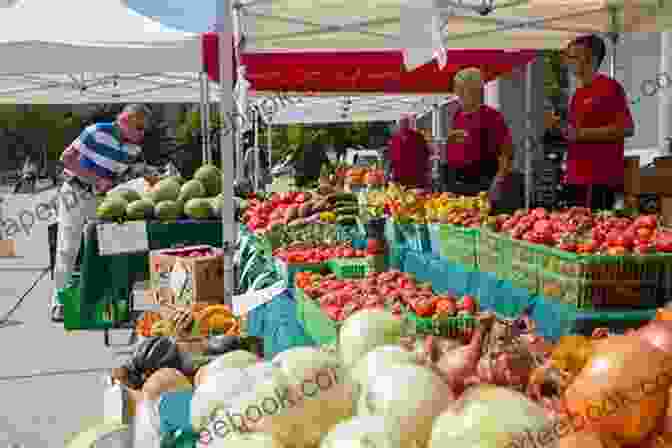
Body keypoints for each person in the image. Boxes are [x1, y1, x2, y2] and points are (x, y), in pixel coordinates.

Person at [50, 104, 154, 322]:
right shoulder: (95, 131)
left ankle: (101, 300)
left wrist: (149, 176)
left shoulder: (134, 149)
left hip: (102, 200)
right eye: (140, 127)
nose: (143, 134)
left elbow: (122, 176)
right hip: (75, 193)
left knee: (102, 248)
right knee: (68, 248)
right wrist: (95, 179)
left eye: (145, 129)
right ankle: (59, 303)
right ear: (125, 121)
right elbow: (66, 158)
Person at [562, 34, 634, 211]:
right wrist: (559, 128)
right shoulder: (578, 94)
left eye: (574, 56)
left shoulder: (609, 88)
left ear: (592, 58)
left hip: (598, 177)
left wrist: (582, 134)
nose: (568, 61)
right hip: (575, 176)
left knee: (591, 232)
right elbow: (574, 133)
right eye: (568, 56)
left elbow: (627, 128)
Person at [443, 67, 514, 196]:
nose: (457, 94)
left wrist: (498, 180)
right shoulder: (457, 115)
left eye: (462, 89)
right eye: (457, 89)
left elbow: (506, 152)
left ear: (476, 90)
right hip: (456, 181)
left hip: (482, 181)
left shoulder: (492, 116)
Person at [388, 115, 430, 188]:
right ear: (398, 125)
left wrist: (426, 171)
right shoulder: (394, 139)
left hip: (416, 177)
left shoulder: (418, 137)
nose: (404, 125)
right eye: (401, 123)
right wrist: (389, 173)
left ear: (409, 124)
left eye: (405, 123)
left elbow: (426, 154)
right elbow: (391, 158)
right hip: (400, 177)